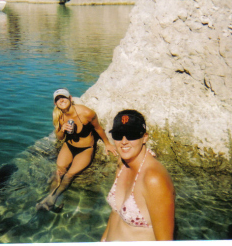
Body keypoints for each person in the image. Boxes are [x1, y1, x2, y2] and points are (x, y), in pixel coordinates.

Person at [36, 88, 118, 211]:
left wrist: (107, 144)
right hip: (68, 146)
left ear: (70, 98)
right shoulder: (57, 115)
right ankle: (49, 197)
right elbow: (60, 137)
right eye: (58, 99)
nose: (61, 100)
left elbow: (98, 128)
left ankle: (53, 198)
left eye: (63, 97)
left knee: (69, 175)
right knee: (59, 171)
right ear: (55, 103)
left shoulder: (86, 113)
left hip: (85, 149)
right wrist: (61, 129)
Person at [101, 110, 175, 241]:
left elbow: (165, 241)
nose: (124, 141)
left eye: (131, 134)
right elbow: (115, 213)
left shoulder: (154, 178)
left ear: (145, 137)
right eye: (118, 135)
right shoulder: (122, 163)